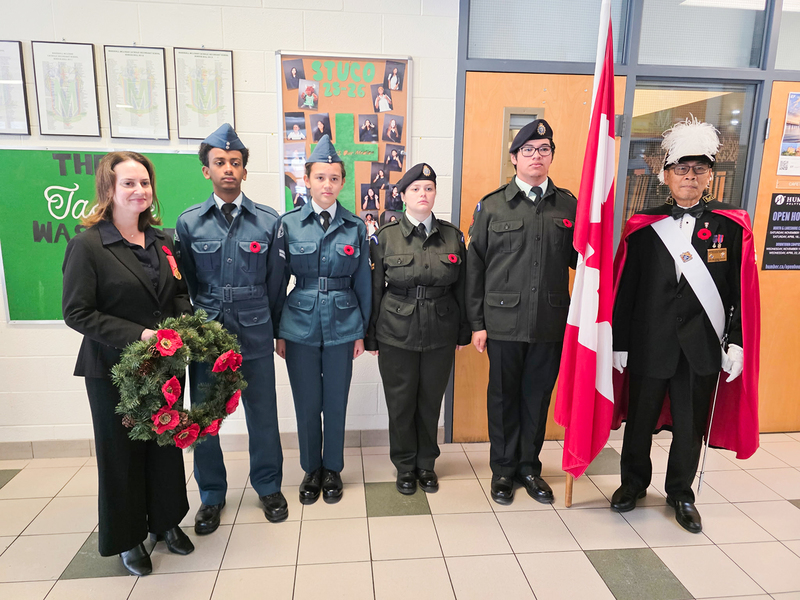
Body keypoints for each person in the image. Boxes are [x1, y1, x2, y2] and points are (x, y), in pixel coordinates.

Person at [610, 117, 760, 533]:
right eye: (681, 169)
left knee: (690, 428)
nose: (689, 177)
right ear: (666, 175)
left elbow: (739, 293)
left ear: (710, 176)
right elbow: (627, 289)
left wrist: (737, 342)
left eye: (698, 170)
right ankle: (632, 485)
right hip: (648, 342)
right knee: (639, 422)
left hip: (701, 346)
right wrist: (620, 341)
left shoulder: (730, 228)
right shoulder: (644, 226)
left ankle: (681, 493)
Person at [62, 151, 194, 576]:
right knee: (121, 454)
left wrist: (185, 324)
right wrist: (141, 336)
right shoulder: (88, 246)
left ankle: (167, 522)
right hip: (112, 370)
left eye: (145, 183)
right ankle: (128, 538)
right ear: (109, 189)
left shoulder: (162, 241)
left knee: (166, 448)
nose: (139, 191)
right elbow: (77, 313)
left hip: (164, 367)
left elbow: (176, 292)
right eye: (129, 184)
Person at [175, 124, 288, 533]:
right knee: (206, 417)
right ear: (207, 170)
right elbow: (183, 283)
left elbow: (277, 280)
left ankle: (269, 486)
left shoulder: (268, 221)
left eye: (235, 163)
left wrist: (271, 324)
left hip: (255, 329)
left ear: (244, 170)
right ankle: (211, 496)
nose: (228, 169)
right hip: (207, 335)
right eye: (219, 162)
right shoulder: (189, 223)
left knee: (263, 413)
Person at [466, 119, 577, 506]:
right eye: (528, 150)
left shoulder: (568, 204)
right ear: (514, 158)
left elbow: (584, 262)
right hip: (502, 323)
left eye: (544, 150)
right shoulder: (493, 205)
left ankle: (529, 467)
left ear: (551, 157)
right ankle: (502, 470)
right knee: (502, 398)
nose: (536, 156)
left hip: (549, 322)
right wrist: (476, 324)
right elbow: (475, 267)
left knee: (537, 398)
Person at [276, 135, 371, 505]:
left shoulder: (355, 226)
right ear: (307, 180)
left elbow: (363, 280)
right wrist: (277, 332)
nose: (327, 185)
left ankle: (332, 468)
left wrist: (361, 331)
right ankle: (310, 469)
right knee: (305, 400)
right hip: (298, 324)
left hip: (344, 322)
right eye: (320, 177)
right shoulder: (289, 224)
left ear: (342, 182)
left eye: (334, 178)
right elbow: (277, 281)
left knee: (335, 400)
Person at [366, 163, 471, 495]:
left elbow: (464, 287)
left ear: (435, 193)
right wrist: (371, 336)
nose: (422, 194)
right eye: (415, 189)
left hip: (441, 329)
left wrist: (463, 331)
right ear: (402, 195)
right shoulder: (385, 237)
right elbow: (374, 290)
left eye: (428, 188)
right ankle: (405, 465)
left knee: (430, 401)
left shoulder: (452, 236)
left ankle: (426, 464)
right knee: (400, 402)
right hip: (395, 330)